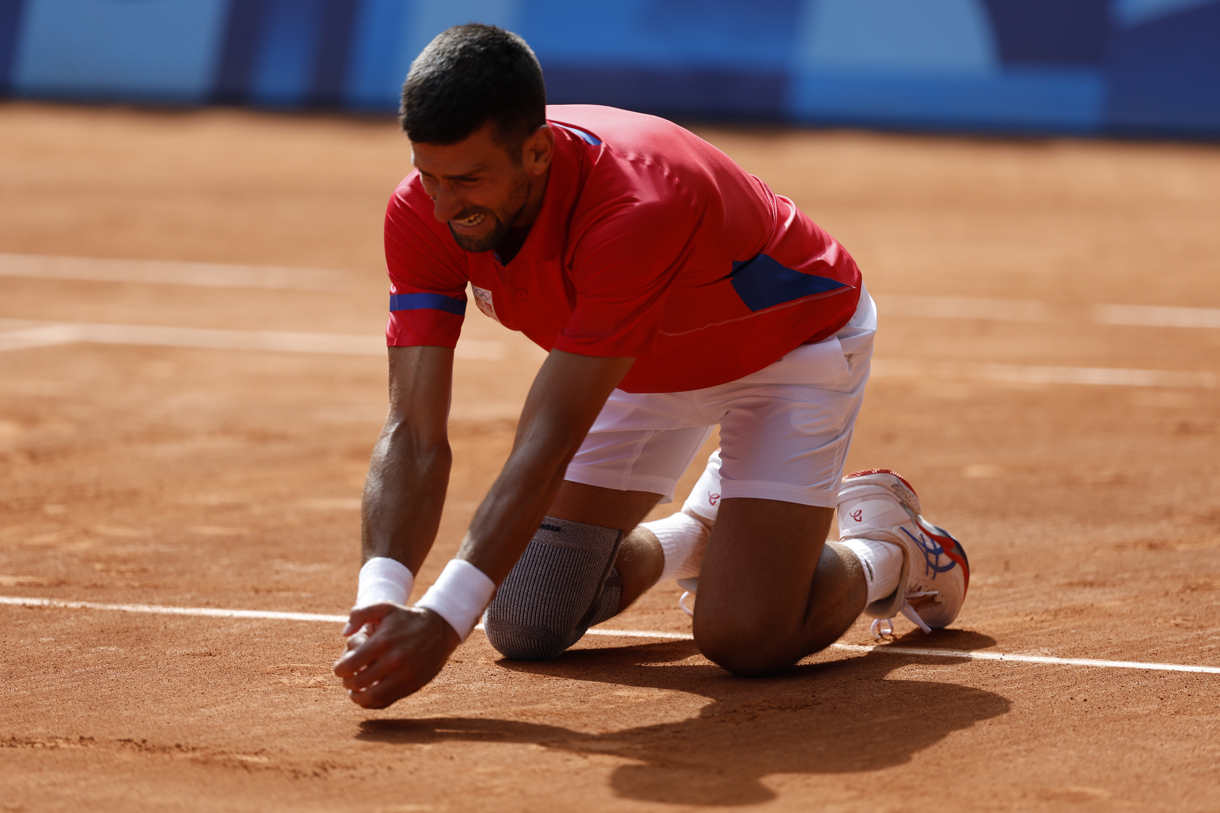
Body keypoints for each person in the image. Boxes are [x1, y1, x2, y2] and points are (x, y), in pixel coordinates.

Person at [332, 24, 970, 709]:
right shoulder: (425, 210)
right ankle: (698, 534)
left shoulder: (638, 204)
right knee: (528, 619)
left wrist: (442, 620)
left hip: (788, 347)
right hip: (635, 361)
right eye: (427, 174)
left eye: (466, 180)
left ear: (537, 152)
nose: (442, 204)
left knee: (746, 636)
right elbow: (413, 431)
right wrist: (382, 598)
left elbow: (549, 439)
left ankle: (892, 552)